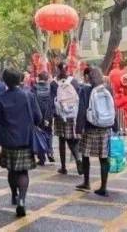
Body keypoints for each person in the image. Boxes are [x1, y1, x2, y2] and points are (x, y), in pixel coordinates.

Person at [0, 68, 42, 217]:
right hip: (25, 139)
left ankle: (14, 194)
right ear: (20, 79)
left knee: (11, 170)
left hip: (8, 140)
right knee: (23, 172)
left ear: (5, 81)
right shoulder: (29, 96)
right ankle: (22, 200)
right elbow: (38, 117)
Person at [76, 66, 114, 197]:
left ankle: (86, 182)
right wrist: (115, 127)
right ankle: (104, 187)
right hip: (105, 129)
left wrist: (78, 128)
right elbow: (112, 108)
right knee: (104, 158)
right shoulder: (108, 89)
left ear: (90, 78)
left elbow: (82, 110)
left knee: (85, 155)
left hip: (90, 128)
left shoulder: (85, 90)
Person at [53, 62, 82, 175]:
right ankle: (78, 159)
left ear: (58, 70)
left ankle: (63, 167)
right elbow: (79, 97)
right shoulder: (74, 81)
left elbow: (53, 101)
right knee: (72, 140)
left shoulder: (54, 83)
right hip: (73, 115)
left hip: (60, 116)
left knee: (62, 141)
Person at [33, 71, 56, 165]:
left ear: (38, 78)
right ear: (47, 79)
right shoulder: (51, 88)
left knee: (39, 134)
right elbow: (53, 103)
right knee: (49, 133)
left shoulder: (34, 88)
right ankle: (50, 151)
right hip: (48, 116)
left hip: (37, 115)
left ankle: (41, 158)